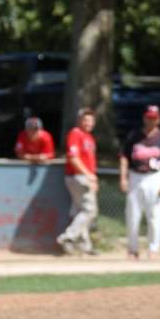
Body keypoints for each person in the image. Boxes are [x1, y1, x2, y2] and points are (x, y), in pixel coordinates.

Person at [119, 105, 160, 260]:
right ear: (144, 118)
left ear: (159, 120)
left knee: (155, 214)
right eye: (148, 117)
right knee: (132, 214)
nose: (151, 120)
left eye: (154, 118)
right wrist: (123, 178)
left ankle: (153, 249)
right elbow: (124, 157)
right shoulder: (134, 135)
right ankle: (133, 249)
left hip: (155, 176)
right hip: (135, 175)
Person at [56, 108, 99, 255]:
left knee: (79, 212)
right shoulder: (75, 133)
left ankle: (85, 246)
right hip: (78, 176)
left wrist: (92, 178)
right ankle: (67, 237)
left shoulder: (89, 137)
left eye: (90, 120)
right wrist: (88, 175)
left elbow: (90, 161)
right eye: (85, 120)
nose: (88, 123)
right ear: (79, 120)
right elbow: (73, 157)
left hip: (85, 176)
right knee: (90, 210)